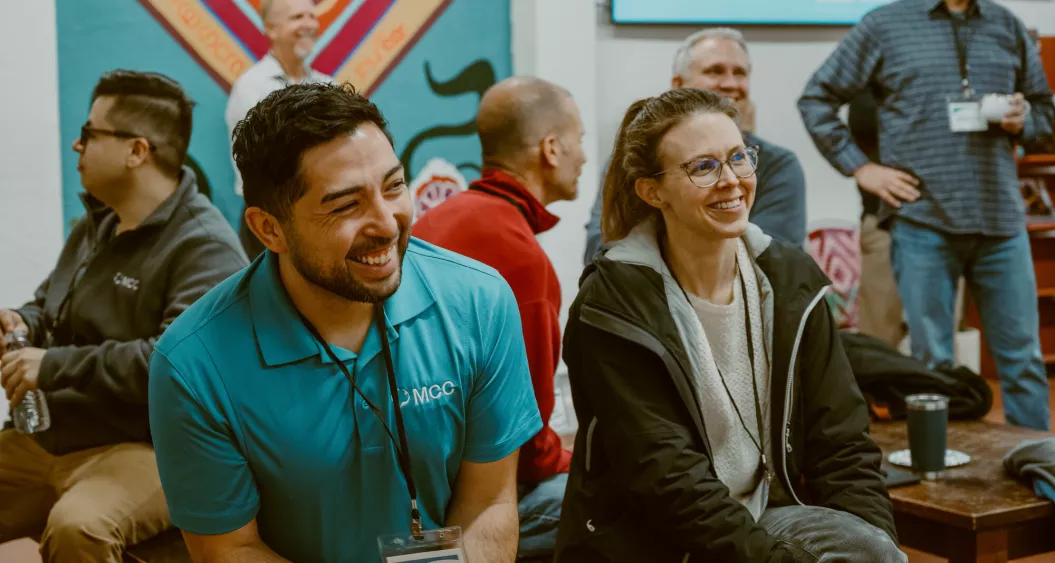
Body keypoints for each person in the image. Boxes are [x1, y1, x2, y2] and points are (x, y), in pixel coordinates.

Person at [149, 82, 543, 562]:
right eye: (345, 205)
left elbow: (488, 501)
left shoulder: (477, 301)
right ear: (269, 228)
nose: (387, 222)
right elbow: (231, 549)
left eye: (394, 186)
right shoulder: (194, 361)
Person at [556, 88, 902, 562]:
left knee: (870, 549)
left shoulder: (790, 279)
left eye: (739, 157)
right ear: (652, 191)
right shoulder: (613, 306)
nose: (732, 181)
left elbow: (842, 442)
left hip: (765, 517)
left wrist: (876, 542)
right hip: (649, 541)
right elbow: (670, 483)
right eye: (703, 167)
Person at [0, 70, 247, 562]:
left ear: (137, 151)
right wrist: (20, 322)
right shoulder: (98, 225)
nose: (77, 146)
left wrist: (51, 365)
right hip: (53, 436)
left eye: (90, 134)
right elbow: (50, 306)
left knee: (79, 529)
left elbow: (174, 366)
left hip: (152, 449)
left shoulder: (206, 246)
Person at [799, 0, 1055, 430]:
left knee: (1024, 361)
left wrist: (1024, 121)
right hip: (923, 220)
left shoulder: (1006, 25)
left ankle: (1037, 473)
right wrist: (862, 168)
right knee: (931, 365)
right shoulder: (885, 24)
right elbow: (816, 98)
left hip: (1000, 222)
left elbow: (1045, 113)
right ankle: (945, 480)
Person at [413, 76, 585, 559]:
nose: (585, 158)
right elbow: (528, 447)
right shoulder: (522, 259)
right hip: (459, 502)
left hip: (414, 479)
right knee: (621, 499)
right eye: (580, 141)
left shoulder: (438, 219)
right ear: (552, 149)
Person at [584, 27, 806, 262]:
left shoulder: (779, 165)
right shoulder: (635, 161)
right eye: (714, 71)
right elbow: (599, 251)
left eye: (740, 73)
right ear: (678, 84)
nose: (731, 83)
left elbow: (775, 262)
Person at [225, 0, 333, 259]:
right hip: (269, 215)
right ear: (271, 29)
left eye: (311, 16)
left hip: (323, 212)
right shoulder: (250, 87)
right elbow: (267, 158)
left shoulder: (329, 85)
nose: (308, 24)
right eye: (297, 17)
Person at [848, 90, 907, 347]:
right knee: (878, 339)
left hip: (945, 223)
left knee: (942, 347)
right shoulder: (871, 79)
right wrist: (858, 166)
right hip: (884, 223)